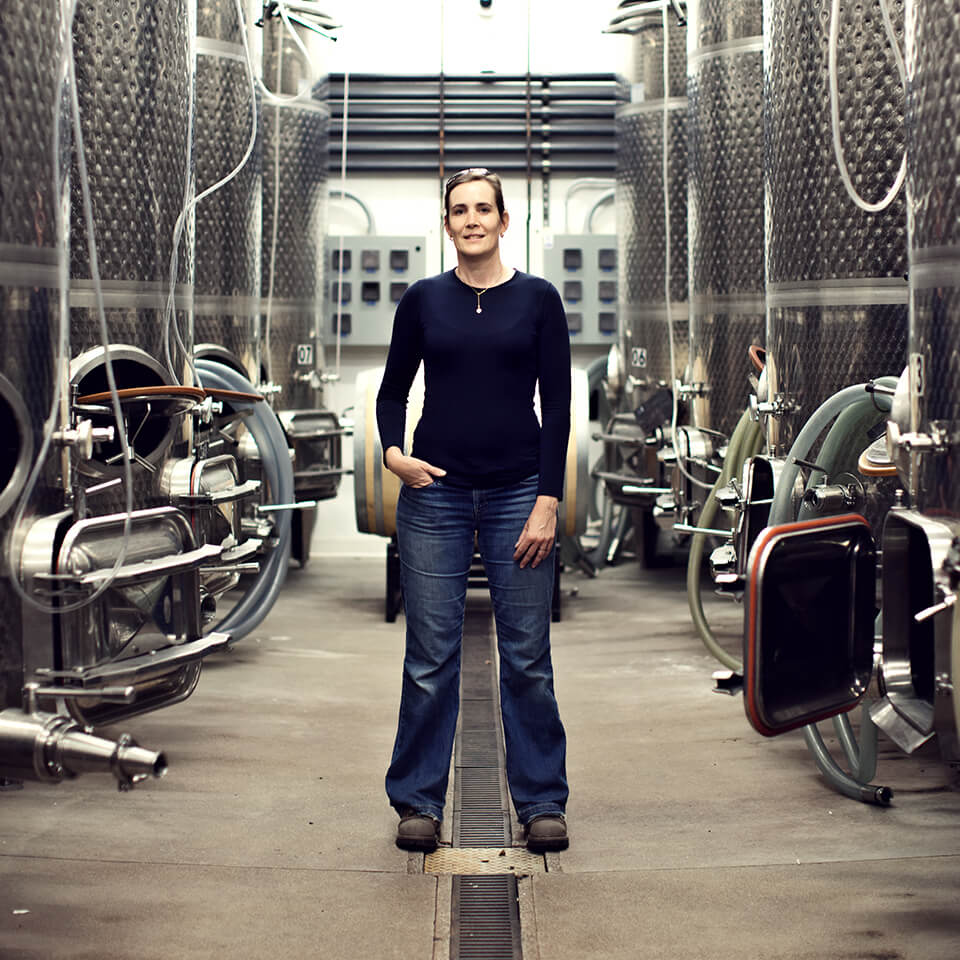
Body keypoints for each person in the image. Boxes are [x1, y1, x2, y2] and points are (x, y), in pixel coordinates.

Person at [376, 167, 571, 854]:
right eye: (459, 210)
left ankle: (542, 799)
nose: (471, 220)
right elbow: (392, 391)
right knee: (430, 656)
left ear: (503, 219)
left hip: (520, 491)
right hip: (437, 495)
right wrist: (394, 454)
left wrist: (548, 500)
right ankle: (418, 801)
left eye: (483, 208)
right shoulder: (424, 300)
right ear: (447, 222)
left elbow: (559, 407)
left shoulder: (539, 300)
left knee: (527, 655)